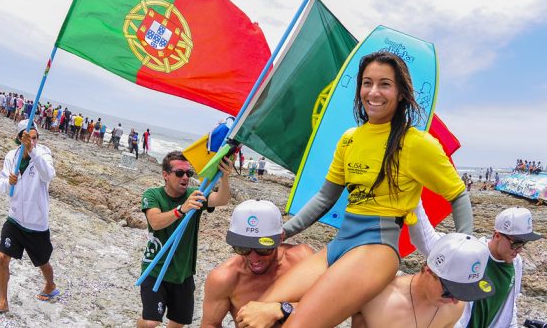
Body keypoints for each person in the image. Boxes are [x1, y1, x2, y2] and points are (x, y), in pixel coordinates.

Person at [237, 51, 473, 327]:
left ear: (400, 93)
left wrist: (462, 256)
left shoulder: (417, 144)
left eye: (385, 84)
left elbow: (457, 195)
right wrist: (285, 231)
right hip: (341, 242)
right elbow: (326, 197)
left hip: (377, 248)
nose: (373, 92)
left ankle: (286, 310)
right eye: (367, 82)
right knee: (256, 313)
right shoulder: (349, 140)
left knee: (293, 323)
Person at [138, 151, 234, 327]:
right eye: (179, 173)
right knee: (151, 322)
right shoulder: (153, 195)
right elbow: (155, 221)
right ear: (165, 175)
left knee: (177, 323)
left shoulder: (195, 194)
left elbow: (221, 199)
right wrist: (181, 209)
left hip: (183, 274)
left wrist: (225, 177)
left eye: (189, 173)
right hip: (155, 269)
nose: (185, 177)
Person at [410, 203, 542, 327]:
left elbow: (510, 305)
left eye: (524, 243)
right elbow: (425, 238)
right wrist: (414, 198)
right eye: (517, 243)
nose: (520, 250)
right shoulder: (470, 253)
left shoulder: (516, 263)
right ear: (497, 235)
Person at [201, 200, 314, 327]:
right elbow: (210, 324)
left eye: (263, 249)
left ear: (281, 237)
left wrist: (281, 309)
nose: (254, 258)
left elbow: (327, 304)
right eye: (243, 249)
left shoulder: (302, 260)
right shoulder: (224, 279)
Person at [0, 120, 58, 316]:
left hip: (37, 223)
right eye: (28, 138)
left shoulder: (43, 153)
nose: (32, 141)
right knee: (2, 258)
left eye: (35, 138)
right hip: (15, 219)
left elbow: (48, 175)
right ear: (19, 138)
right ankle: (3, 301)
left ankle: (50, 285)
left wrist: (32, 151)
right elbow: (3, 185)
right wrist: (9, 182)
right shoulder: (11, 156)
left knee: (43, 262)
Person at [351, 233, 495, 328]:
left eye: (463, 293)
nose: (455, 300)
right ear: (428, 271)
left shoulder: (455, 307)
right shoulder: (376, 296)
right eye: (450, 292)